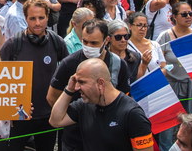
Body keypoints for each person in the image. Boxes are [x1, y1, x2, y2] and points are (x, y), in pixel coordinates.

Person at [47, 19, 130, 151]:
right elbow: (52, 97)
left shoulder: (118, 64)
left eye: (94, 43)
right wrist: (72, 116)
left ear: (106, 40)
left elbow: (124, 97)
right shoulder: (69, 63)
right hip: (76, 137)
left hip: (108, 135)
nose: (88, 46)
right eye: (85, 41)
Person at [0, 0, 68, 151]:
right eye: (32, 18)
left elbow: (67, 75)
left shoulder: (57, 42)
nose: (37, 23)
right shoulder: (12, 45)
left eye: (41, 18)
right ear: (25, 18)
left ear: (47, 17)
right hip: (19, 116)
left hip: (48, 116)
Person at [49, 58, 154, 151]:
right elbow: (55, 121)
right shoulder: (84, 105)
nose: (77, 87)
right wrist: (69, 89)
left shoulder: (132, 114)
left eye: (82, 82)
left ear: (100, 83)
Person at [156, 1, 192, 150]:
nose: (188, 17)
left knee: (188, 125)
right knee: (166, 128)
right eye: (184, 14)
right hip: (169, 85)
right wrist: (165, 67)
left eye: (191, 14)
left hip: (188, 84)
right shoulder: (165, 36)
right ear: (174, 17)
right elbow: (158, 59)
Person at [127, 12, 166, 79]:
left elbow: (164, 67)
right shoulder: (126, 46)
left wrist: (154, 78)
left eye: (145, 26)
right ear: (130, 26)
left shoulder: (155, 45)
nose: (143, 29)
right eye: (139, 25)